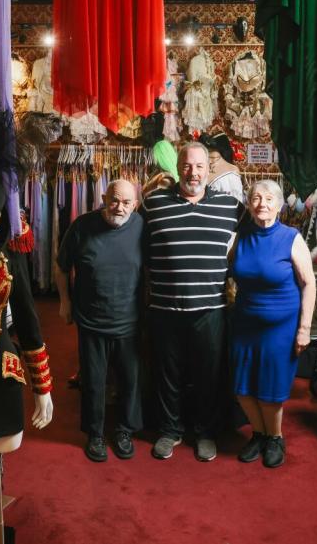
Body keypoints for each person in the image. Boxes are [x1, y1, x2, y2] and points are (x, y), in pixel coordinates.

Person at [141, 142, 244, 462]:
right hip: (163, 306)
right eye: (187, 165)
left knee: (208, 374)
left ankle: (205, 432)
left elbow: (257, 231)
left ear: (208, 170)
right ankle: (170, 431)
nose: (193, 172)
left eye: (199, 166)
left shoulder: (229, 206)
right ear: (178, 167)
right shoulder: (154, 202)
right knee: (166, 373)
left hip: (210, 308)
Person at [55, 179, 144, 462]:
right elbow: (60, 267)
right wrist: (65, 301)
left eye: (127, 202)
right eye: (114, 200)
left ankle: (124, 431)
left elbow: (152, 269)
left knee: (130, 381)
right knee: (93, 381)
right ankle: (94, 433)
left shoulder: (142, 226)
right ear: (104, 197)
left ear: (135, 204)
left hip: (129, 320)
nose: (119, 207)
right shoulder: (82, 225)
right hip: (91, 319)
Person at [230, 180, 315, 467]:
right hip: (244, 323)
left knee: (270, 390)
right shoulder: (239, 237)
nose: (261, 204)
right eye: (256, 198)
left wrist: (304, 329)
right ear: (249, 203)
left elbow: (309, 283)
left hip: (280, 328)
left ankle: (275, 437)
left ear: (279, 205)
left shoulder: (291, 237)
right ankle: (259, 434)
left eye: (268, 199)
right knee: (243, 389)